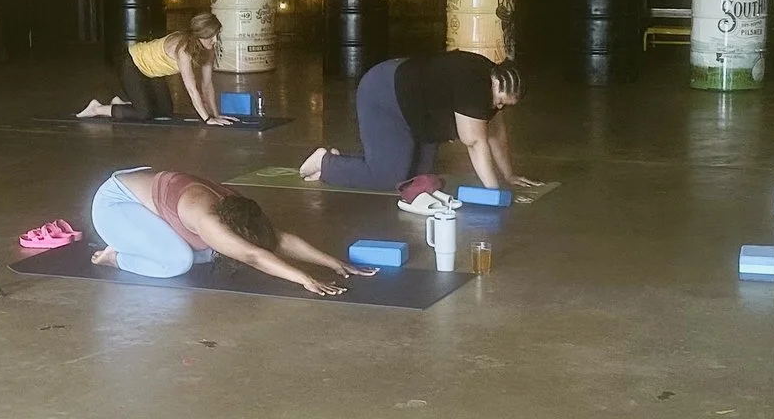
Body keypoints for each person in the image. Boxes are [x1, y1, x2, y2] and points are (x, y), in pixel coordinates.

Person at [89, 166, 373, 296]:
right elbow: (252, 255)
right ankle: (115, 256)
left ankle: (141, 239)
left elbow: (277, 239)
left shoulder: (234, 206)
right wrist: (305, 279)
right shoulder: (208, 218)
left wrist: (334, 263)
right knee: (178, 262)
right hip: (116, 204)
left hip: (149, 196)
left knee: (212, 252)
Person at [298, 50, 533, 194]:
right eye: (500, 101)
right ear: (495, 81)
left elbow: (496, 133)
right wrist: (493, 192)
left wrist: (509, 174)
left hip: (418, 111)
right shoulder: (472, 86)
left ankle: (341, 163)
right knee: (388, 178)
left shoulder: (491, 86)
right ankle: (325, 162)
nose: (499, 108)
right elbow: (474, 142)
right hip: (384, 95)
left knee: (416, 179)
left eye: (505, 106)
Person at [74, 11, 232, 124]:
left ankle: (121, 103)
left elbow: (207, 84)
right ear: (200, 35)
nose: (215, 40)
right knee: (144, 113)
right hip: (132, 64)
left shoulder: (209, 48)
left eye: (217, 35)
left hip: (154, 73)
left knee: (165, 111)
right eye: (211, 36)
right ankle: (97, 109)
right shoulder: (183, 49)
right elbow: (191, 89)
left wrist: (216, 115)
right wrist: (207, 119)